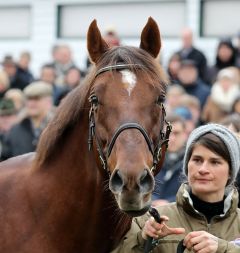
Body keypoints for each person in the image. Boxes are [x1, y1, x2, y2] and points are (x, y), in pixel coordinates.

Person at [112, 124, 240, 253]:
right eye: (197, 160)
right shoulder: (149, 220)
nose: (203, 169)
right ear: (187, 164)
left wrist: (223, 248)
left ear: (231, 171)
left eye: (215, 162)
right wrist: (143, 240)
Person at [1, 81, 55, 160]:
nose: (31, 103)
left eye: (36, 99)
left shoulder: (57, 129)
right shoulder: (15, 130)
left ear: (48, 102)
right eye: (29, 99)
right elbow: (4, 161)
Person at [152, 114, 188, 205]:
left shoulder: (191, 162)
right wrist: (152, 201)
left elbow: (192, 193)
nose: (171, 138)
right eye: (167, 134)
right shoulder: (151, 161)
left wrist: (169, 203)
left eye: (176, 133)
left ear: (185, 134)